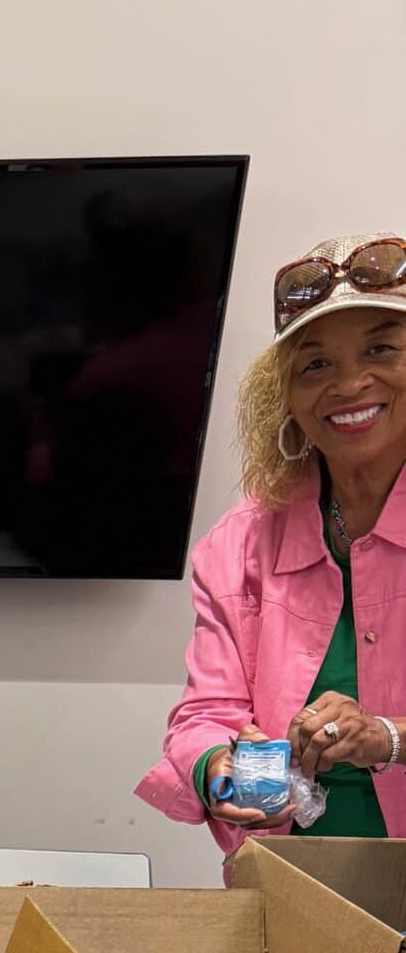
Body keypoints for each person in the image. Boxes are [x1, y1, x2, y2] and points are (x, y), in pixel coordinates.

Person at [139, 233, 406, 849]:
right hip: (285, 880)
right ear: (285, 398)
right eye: (315, 365)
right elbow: (205, 714)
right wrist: (217, 769)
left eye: (381, 349)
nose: (349, 384)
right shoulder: (240, 544)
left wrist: (386, 737)